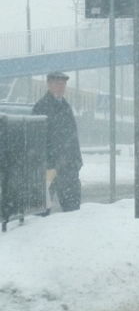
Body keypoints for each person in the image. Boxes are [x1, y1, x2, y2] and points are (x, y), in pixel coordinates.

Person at [32, 71, 83, 213]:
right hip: (50, 168)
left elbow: (73, 137)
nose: (61, 87)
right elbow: (37, 140)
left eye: (63, 84)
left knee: (73, 210)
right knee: (42, 211)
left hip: (69, 167)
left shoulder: (66, 107)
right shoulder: (41, 107)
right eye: (57, 83)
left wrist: (77, 161)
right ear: (48, 84)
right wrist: (48, 163)